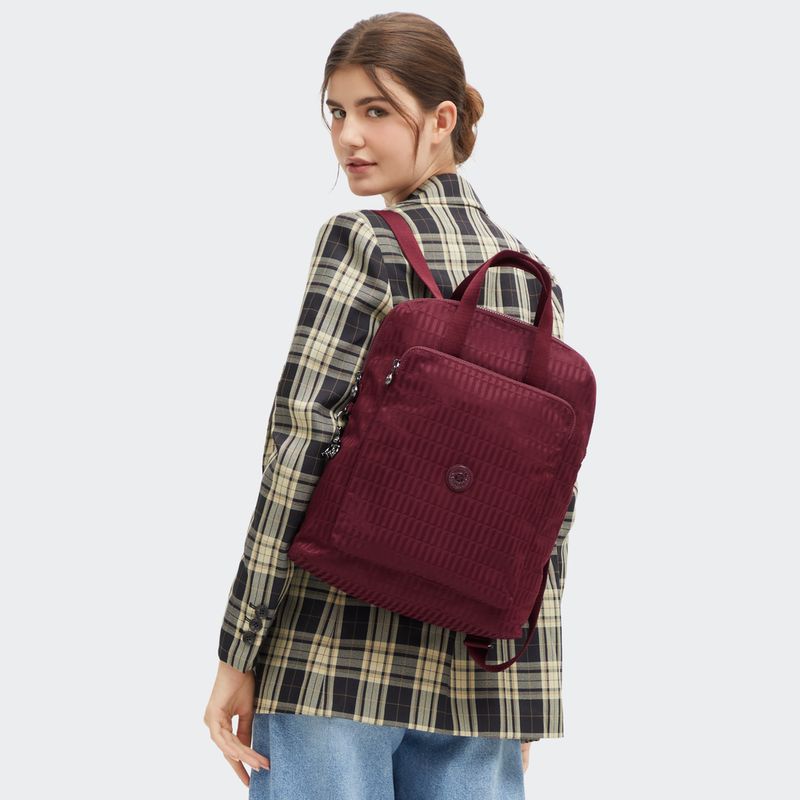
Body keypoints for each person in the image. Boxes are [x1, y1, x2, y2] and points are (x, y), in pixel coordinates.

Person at [203, 11, 578, 799]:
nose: (348, 137)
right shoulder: (533, 283)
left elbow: (300, 444)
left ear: (442, 120)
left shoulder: (363, 242)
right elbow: (551, 505)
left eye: (376, 110)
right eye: (336, 111)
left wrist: (239, 651)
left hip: (334, 654)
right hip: (479, 675)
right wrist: (526, 698)